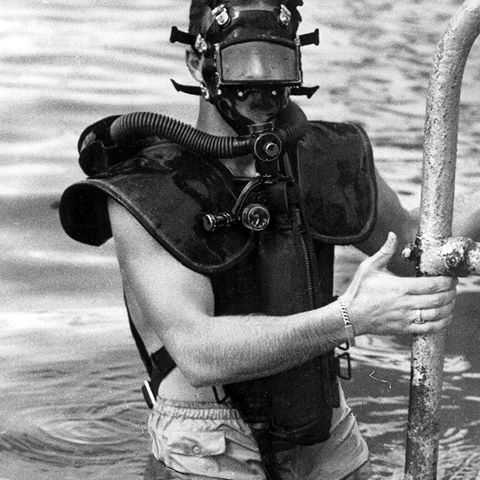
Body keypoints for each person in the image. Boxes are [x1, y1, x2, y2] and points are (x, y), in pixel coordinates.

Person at [59, 1, 479, 479]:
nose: (260, 85)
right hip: (208, 437)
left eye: (275, 62)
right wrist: (351, 316)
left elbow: (413, 252)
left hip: (322, 421)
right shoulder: (147, 189)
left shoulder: (324, 158)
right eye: (244, 62)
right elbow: (197, 353)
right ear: (198, 63)